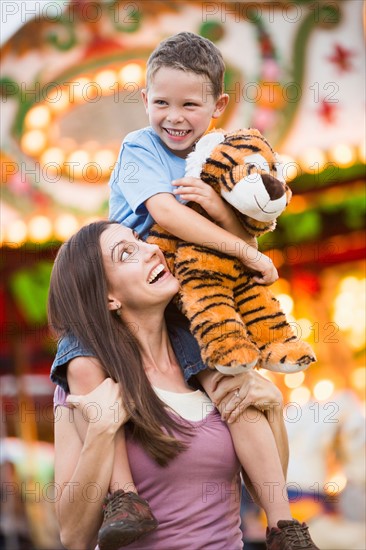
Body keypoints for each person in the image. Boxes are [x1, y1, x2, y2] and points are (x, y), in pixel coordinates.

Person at [50, 33, 318, 549]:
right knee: (83, 363)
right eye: (161, 103)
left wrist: (273, 408)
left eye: (189, 105)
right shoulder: (140, 149)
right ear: (145, 100)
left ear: (217, 107)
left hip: (194, 303)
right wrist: (245, 252)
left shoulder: (213, 157)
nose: (173, 116)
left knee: (238, 392)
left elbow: (251, 222)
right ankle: (123, 497)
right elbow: (168, 214)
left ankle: (284, 523)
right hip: (169, 298)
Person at [49, 221, 319, 550]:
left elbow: (264, 492)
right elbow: (74, 538)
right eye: (126, 253)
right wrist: (101, 431)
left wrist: (273, 409)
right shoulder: (88, 388)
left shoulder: (211, 362)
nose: (152, 250)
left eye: (139, 239)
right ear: (108, 299)